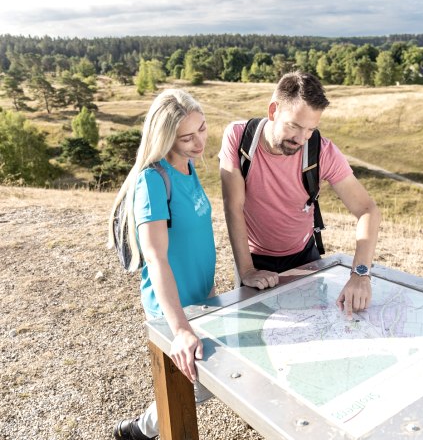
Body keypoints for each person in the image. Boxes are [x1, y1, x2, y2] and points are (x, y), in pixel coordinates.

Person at [219, 71, 381, 318]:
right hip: (251, 258)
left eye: (310, 130)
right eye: (294, 126)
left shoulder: (322, 151)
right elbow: (233, 206)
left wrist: (360, 274)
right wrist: (247, 270)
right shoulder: (239, 138)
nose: (301, 139)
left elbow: (367, 210)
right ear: (273, 111)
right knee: (251, 338)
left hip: (305, 257)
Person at [109, 89, 215, 440]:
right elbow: (155, 257)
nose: (199, 142)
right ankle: (140, 431)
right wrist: (181, 327)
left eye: (201, 129)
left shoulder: (187, 166)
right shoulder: (153, 181)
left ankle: (140, 429)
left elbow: (195, 237)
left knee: (205, 381)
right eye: (187, 137)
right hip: (173, 309)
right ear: (166, 137)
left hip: (201, 299)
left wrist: (211, 293)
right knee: (203, 382)